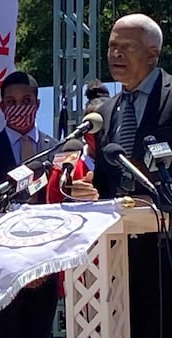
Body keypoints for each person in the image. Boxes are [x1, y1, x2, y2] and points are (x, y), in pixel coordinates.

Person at [89, 13, 172, 337]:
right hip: (121, 259)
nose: (115, 54)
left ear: (152, 54)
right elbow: (105, 182)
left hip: (166, 248)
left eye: (126, 47)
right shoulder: (106, 111)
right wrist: (85, 192)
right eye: (111, 47)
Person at [0, 71, 59, 338]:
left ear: (38, 104)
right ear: (2, 106)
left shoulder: (55, 149)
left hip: (45, 267)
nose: (18, 107)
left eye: (26, 100)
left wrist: (41, 266)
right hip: (3, 270)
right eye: (11, 101)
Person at [46, 81, 110, 203]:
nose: (103, 134)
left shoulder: (127, 162)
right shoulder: (66, 167)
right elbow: (52, 207)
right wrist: (70, 196)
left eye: (108, 127)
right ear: (85, 131)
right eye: (96, 127)